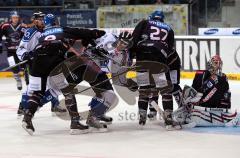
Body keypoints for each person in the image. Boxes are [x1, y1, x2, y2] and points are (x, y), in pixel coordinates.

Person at [22, 14, 109, 135]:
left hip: (37, 60)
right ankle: (75, 123)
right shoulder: (62, 29)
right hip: (54, 59)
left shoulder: (41, 34)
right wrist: (97, 33)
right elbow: (83, 32)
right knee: (68, 90)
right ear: (56, 22)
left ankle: (27, 118)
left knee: (37, 93)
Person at [129, 10, 174, 127]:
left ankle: (142, 117)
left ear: (152, 17)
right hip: (159, 60)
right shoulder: (169, 28)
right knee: (165, 90)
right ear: (162, 19)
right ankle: (169, 118)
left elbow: (133, 40)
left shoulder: (144, 22)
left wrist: (131, 56)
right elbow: (170, 49)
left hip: (142, 59)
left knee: (144, 88)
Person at [16, 11, 66, 117]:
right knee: (33, 88)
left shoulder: (49, 31)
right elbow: (20, 49)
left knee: (53, 83)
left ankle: (55, 104)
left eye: (43, 19)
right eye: (40, 19)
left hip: (47, 62)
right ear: (35, 21)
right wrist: (26, 55)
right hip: (34, 64)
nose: (42, 21)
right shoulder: (31, 32)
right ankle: (23, 106)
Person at [173, 55, 238, 127]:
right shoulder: (201, 74)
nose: (218, 66)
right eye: (216, 63)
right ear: (210, 64)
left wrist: (226, 111)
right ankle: (186, 107)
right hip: (199, 102)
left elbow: (226, 94)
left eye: (220, 64)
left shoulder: (223, 77)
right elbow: (193, 89)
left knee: (220, 78)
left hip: (213, 105)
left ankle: (197, 101)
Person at [0, 11, 27, 90]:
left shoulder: (22, 26)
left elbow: (26, 38)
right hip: (10, 51)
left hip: (21, 50)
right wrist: (0, 45)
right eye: (14, 17)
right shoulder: (5, 26)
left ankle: (26, 75)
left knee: (24, 65)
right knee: (13, 66)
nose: (15, 19)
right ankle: (18, 80)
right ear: (11, 18)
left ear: (18, 18)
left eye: (17, 18)